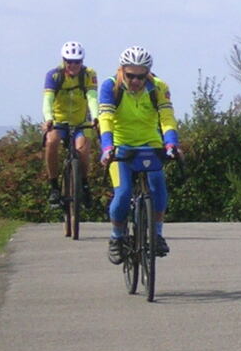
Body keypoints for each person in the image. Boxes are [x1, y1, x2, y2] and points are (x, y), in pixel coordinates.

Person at [98, 46, 180, 264]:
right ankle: (116, 237)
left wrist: (171, 143)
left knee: (158, 187)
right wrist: (107, 147)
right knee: (123, 193)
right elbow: (105, 118)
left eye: (141, 77)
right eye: (130, 75)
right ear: (122, 70)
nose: (135, 81)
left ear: (148, 73)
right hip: (120, 146)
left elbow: (167, 118)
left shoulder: (158, 87)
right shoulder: (110, 86)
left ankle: (157, 234)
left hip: (150, 143)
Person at [41, 41, 99, 206]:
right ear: (63, 60)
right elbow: (47, 100)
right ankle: (54, 186)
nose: (73, 65)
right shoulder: (54, 75)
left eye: (77, 62)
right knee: (51, 142)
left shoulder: (89, 74)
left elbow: (92, 98)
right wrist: (48, 118)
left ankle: (85, 184)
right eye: (69, 61)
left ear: (82, 61)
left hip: (81, 121)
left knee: (83, 151)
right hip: (58, 121)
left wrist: (96, 117)